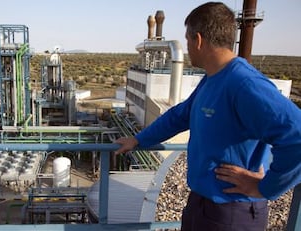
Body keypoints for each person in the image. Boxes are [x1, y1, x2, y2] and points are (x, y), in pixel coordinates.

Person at [114, 2, 301, 231]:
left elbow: (297, 137)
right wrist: (138, 140)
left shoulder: (244, 84)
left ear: (199, 40)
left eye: (188, 39)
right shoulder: (212, 79)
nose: (188, 47)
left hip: (232, 212)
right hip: (202, 205)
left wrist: (266, 188)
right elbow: (179, 115)